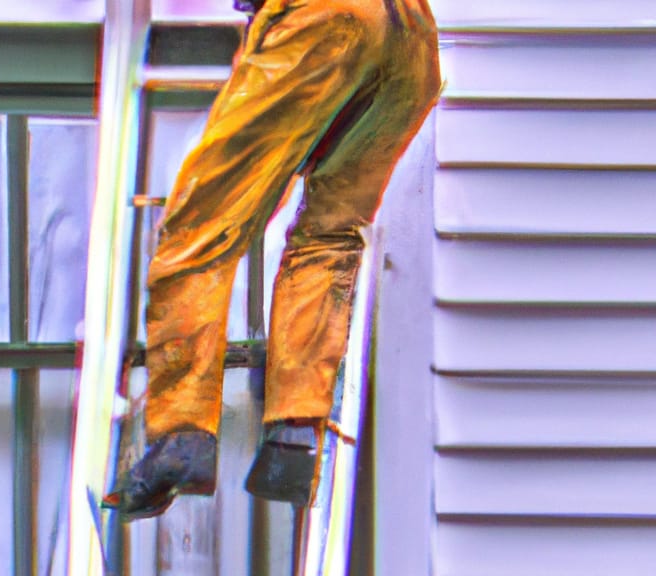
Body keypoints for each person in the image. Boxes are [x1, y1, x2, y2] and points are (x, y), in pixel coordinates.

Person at [104, 0, 441, 520]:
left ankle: (183, 433)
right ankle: (294, 431)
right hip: (413, 38)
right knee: (329, 234)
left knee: (203, 222)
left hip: (327, 20)